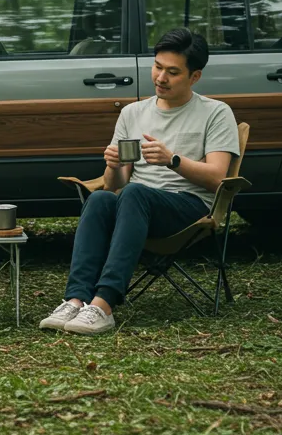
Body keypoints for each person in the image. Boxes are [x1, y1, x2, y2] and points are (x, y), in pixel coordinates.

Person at [40, 27, 240, 334]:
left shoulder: (215, 113)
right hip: (134, 207)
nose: (161, 78)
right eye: (158, 67)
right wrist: (114, 166)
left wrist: (173, 160)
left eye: (173, 72)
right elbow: (115, 185)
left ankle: (104, 305)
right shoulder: (133, 113)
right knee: (101, 198)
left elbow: (218, 178)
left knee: (135, 193)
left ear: (194, 76)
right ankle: (77, 299)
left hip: (188, 208)